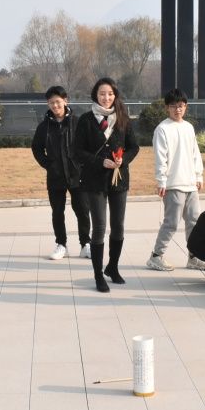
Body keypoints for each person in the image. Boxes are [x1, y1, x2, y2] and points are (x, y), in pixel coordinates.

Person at [73, 76, 140, 293]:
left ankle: (113, 267)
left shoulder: (123, 118)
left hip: (119, 180)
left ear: (115, 95)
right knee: (100, 227)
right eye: (102, 93)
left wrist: (123, 160)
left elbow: (134, 147)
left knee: (118, 226)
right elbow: (77, 152)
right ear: (96, 95)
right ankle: (98, 275)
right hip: (94, 181)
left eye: (110, 94)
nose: (106, 97)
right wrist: (100, 161)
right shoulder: (85, 120)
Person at [146, 88, 205, 272]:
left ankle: (194, 257)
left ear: (185, 107)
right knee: (171, 223)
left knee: (194, 221)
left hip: (190, 184)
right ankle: (156, 256)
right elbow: (160, 158)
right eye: (173, 106)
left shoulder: (188, 127)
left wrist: (198, 175)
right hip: (173, 184)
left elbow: (195, 154)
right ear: (167, 108)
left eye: (181, 106)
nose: (177, 109)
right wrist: (161, 181)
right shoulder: (162, 129)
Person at [32, 85, 90, 261]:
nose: (55, 106)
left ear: (65, 101)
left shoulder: (78, 122)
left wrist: (83, 165)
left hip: (78, 175)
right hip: (55, 176)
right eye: (51, 103)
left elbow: (88, 146)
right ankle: (61, 245)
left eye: (58, 102)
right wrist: (49, 165)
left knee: (82, 210)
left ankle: (85, 244)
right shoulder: (44, 127)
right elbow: (36, 148)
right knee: (57, 212)